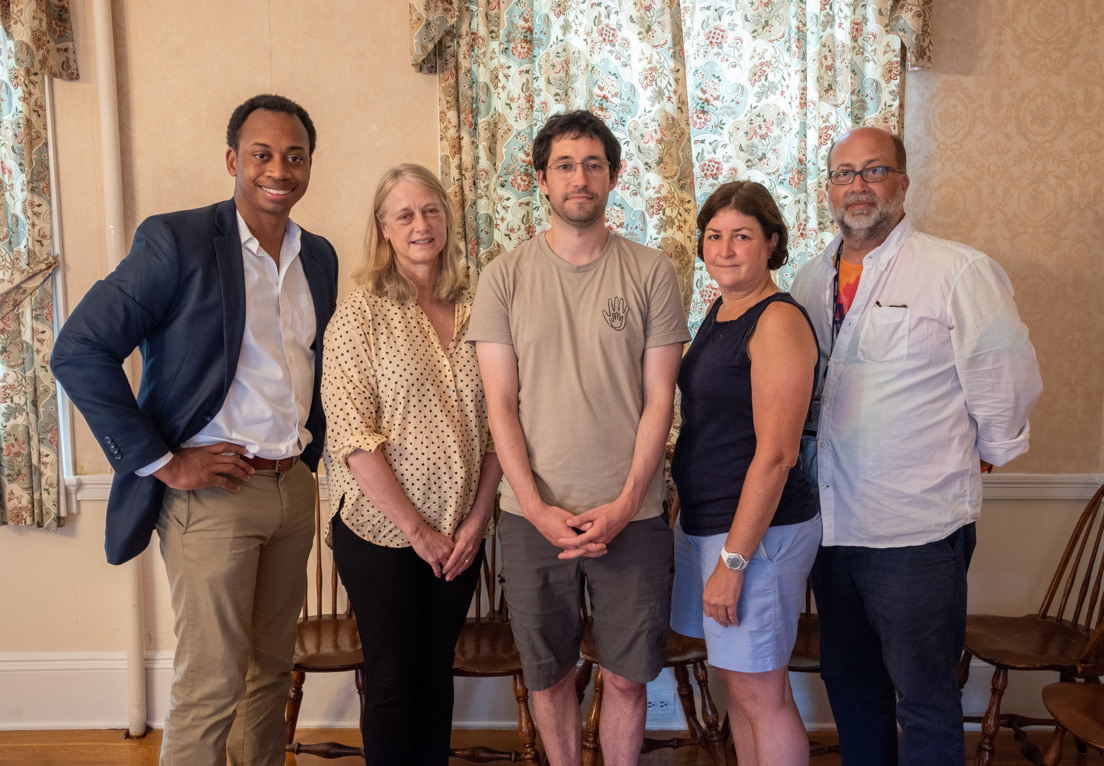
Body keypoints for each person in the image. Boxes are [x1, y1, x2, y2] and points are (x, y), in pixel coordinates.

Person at [51, 95, 338, 765]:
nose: (280, 169)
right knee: (211, 686)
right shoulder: (176, 240)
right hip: (212, 500)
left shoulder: (316, 257)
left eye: (295, 156)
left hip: (291, 491)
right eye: (262, 154)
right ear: (233, 160)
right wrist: (164, 463)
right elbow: (79, 348)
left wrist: (311, 465)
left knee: (269, 673)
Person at [789, 126, 1042, 766]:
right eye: (844, 174)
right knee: (850, 685)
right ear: (828, 190)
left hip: (916, 531)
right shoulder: (807, 280)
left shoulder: (956, 270)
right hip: (831, 528)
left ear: (903, 183)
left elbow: (1004, 374)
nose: (858, 187)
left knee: (924, 698)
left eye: (874, 171)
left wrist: (983, 449)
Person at [468, 109, 690, 766]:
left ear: (615, 176)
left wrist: (624, 505)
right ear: (540, 178)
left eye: (593, 164)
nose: (580, 177)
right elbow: (500, 406)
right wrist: (536, 508)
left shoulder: (652, 272)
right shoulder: (502, 277)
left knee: (627, 677)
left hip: (634, 515)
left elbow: (659, 402)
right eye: (564, 165)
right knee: (550, 674)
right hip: (533, 518)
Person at [320, 163, 501, 765]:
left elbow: (505, 423)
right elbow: (352, 437)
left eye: (430, 210)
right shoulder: (359, 314)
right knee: (394, 677)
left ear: (447, 218)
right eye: (405, 214)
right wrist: (418, 532)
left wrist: (473, 524)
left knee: (435, 671)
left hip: (461, 533)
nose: (420, 224)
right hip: (381, 535)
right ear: (384, 228)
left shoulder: (484, 306)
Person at [670, 181, 821, 766]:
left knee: (762, 691)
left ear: (771, 243)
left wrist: (733, 562)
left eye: (742, 236)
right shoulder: (722, 309)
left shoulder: (777, 320)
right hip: (715, 522)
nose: (726, 249)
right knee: (740, 683)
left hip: (759, 535)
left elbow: (778, 455)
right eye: (715, 236)